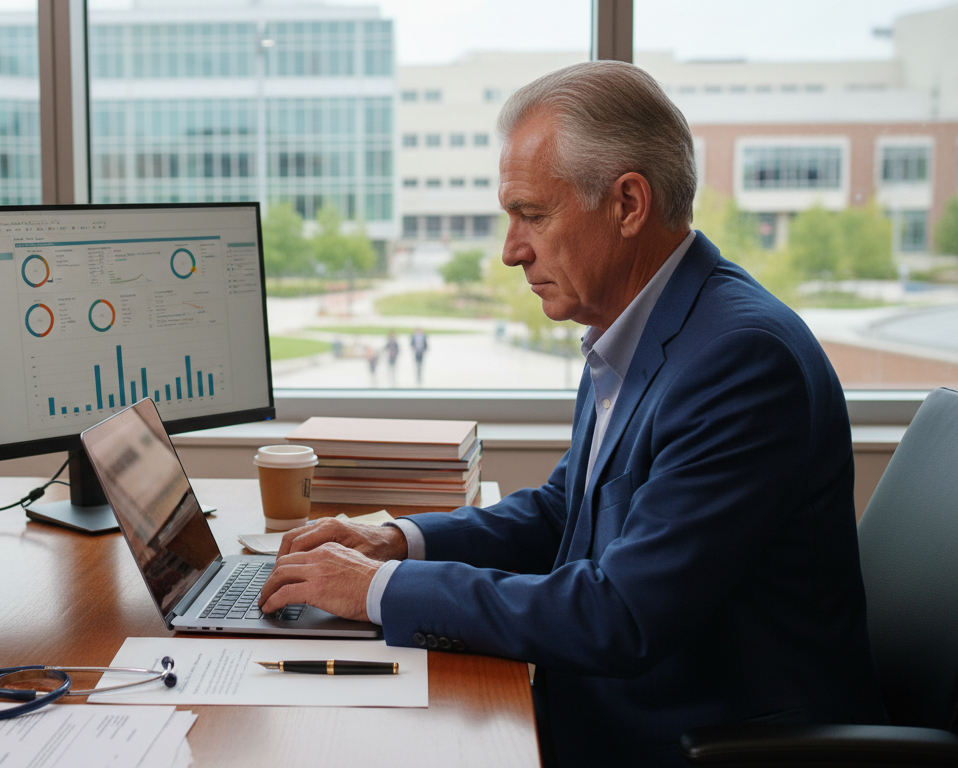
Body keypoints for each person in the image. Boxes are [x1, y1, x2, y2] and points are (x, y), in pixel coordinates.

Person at [258, 61, 884, 767]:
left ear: (627, 204)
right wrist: (399, 544)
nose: (509, 251)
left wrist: (377, 591)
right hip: (609, 710)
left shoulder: (740, 362)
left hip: (695, 742)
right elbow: (567, 513)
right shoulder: (642, 322)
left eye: (532, 214)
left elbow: (619, 613)